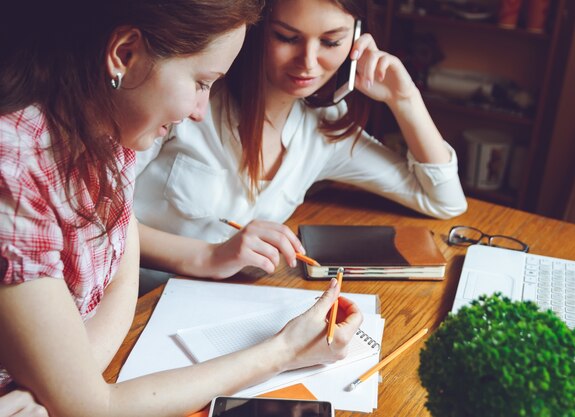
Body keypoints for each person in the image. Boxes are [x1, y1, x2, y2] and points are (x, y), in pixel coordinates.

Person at [0, 1, 363, 416]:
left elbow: (121, 274)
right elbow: (93, 409)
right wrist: (285, 350)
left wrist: (61, 386)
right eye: (201, 82)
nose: (199, 111)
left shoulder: (110, 129)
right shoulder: (13, 172)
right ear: (124, 54)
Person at [133, 0, 468, 292]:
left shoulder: (323, 131)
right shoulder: (190, 100)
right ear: (255, 28)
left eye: (331, 41)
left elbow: (443, 200)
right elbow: (98, 222)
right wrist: (210, 257)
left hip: (219, 301)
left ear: (356, 39)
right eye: (287, 38)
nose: (308, 61)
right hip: (135, 299)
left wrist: (404, 99)